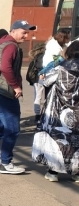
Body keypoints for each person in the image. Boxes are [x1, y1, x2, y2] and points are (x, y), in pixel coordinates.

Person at [0, 20, 36, 174]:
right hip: (5, 92)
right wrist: (15, 86)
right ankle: (6, 163)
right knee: (12, 129)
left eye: (27, 32)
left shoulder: (2, 43)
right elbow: (5, 67)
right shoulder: (11, 46)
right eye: (24, 32)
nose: (26, 36)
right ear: (13, 31)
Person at [32, 41, 79, 182]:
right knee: (75, 140)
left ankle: (53, 172)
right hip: (76, 111)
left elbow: (44, 82)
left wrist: (42, 77)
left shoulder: (60, 68)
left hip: (58, 110)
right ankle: (76, 173)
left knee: (57, 139)